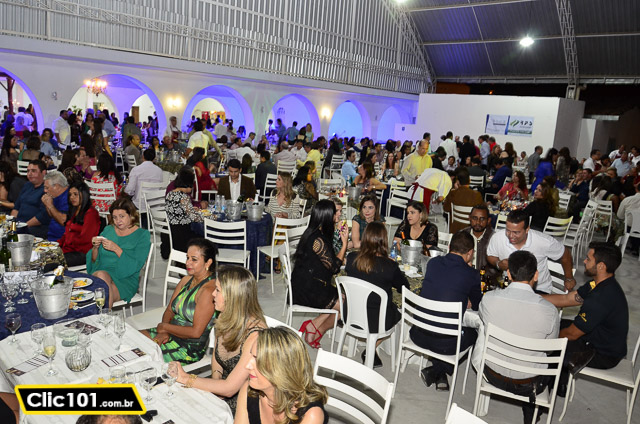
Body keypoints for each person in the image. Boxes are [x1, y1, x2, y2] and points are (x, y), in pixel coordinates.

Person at [473, 250, 560, 424]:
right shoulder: (550, 311)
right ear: (536, 275)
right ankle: (531, 414)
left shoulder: (489, 299)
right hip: (528, 384)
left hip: (492, 374)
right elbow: (550, 347)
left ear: (509, 274)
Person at [173, 266, 267, 414]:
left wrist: (186, 378)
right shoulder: (224, 316)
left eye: (217, 290)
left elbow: (230, 389)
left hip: (246, 402)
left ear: (232, 296)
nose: (213, 294)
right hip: (222, 388)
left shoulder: (256, 335)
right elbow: (217, 360)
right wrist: (216, 380)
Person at [542, 242, 628, 398]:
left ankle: (542, 391)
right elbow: (567, 299)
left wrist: (548, 339)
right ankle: (560, 383)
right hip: (598, 338)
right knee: (555, 325)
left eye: (588, 259)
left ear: (601, 266)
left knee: (548, 340)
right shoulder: (598, 284)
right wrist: (532, 296)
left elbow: (572, 334)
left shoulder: (601, 298)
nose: (584, 261)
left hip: (603, 354)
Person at [411, 231, 481, 391]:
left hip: (418, 333)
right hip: (445, 345)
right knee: (474, 333)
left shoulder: (433, 263)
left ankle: (437, 370)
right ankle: (438, 370)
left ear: (449, 247)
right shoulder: (471, 274)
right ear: (470, 253)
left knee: (442, 325)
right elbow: (477, 305)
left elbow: (442, 286)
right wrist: (466, 297)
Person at [142, 238, 218, 364]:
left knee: (140, 359)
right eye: (187, 258)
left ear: (208, 262)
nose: (188, 263)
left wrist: (165, 327)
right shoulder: (186, 280)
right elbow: (169, 310)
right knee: (129, 339)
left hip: (187, 348)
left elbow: (196, 332)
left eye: (194, 259)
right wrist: (164, 332)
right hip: (170, 332)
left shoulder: (208, 290)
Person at [345, 222, 410, 368]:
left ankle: (370, 349)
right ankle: (371, 348)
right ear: (383, 241)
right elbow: (404, 287)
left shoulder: (352, 258)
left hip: (351, 314)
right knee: (397, 312)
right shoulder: (389, 266)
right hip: (376, 321)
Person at [235, 327, 329, 424]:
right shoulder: (249, 391)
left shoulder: (311, 414)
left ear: (280, 369)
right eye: (251, 356)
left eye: (257, 360)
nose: (247, 366)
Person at [292, 199, 348, 348]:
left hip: (311, 281)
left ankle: (313, 326)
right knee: (346, 306)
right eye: (335, 213)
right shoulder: (317, 240)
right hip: (307, 288)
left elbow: (329, 260)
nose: (338, 215)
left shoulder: (316, 232)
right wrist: (344, 244)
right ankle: (316, 330)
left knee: (345, 298)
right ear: (327, 216)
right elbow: (334, 268)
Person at [487, 209, 575, 294]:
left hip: (538, 289)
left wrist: (569, 278)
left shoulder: (544, 241)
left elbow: (565, 254)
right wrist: (498, 264)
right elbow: (491, 255)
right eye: (508, 230)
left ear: (527, 229)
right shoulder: (498, 237)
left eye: (516, 232)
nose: (511, 235)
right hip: (509, 287)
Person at [87, 197, 151, 307]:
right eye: (115, 217)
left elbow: (136, 265)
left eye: (122, 216)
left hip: (126, 279)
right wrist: (95, 247)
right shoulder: (108, 230)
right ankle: (105, 315)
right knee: (101, 280)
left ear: (131, 215)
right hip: (103, 273)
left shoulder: (142, 235)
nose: (118, 221)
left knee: (101, 292)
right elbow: (94, 260)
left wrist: (116, 249)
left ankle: (102, 315)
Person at [57, 180, 100, 267]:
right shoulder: (75, 210)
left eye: (75, 194)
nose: (72, 197)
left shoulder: (91, 213)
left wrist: (69, 241)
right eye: (70, 195)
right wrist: (57, 244)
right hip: (69, 249)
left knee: (51, 263)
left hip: (81, 253)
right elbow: (67, 233)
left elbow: (86, 239)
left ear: (84, 194)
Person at [165, 167, 204, 253]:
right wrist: (210, 216)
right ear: (188, 184)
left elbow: (177, 211)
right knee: (204, 236)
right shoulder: (183, 197)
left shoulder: (170, 194)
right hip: (182, 236)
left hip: (172, 233)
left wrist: (191, 209)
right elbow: (194, 218)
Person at [10, 160, 50, 238]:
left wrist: (23, 226)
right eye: (28, 171)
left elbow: (42, 216)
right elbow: (16, 208)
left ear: (43, 173)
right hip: (20, 224)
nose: (29, 174)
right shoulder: (27, 185)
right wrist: (12, 224)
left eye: (33, 171)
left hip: (35, 227)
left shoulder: (46, 189)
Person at [443, 168, 483, 233]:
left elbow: (446, 209)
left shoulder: (452, 193)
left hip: (455, 229)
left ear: (457, 182)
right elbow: (482, 212)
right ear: (469, 180)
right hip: (472, 229)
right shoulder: (477, 195)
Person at [460, 204, 495, 275]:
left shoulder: (494, 238)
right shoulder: (462, 235)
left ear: (488, 220)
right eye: (474, 218)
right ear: (469, 218)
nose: (478, 222)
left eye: (482, 219)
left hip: (486, 277)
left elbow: (495, 269)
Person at [41, 170, 69, 241]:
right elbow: (52, 215)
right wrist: (47, 205)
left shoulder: (69, 197)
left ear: (57, 186)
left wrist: (50, 205)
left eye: (47, 188)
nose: (45, 191)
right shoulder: (56, 196)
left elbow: (63, 221)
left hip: (62, 239)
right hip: (51, 236)